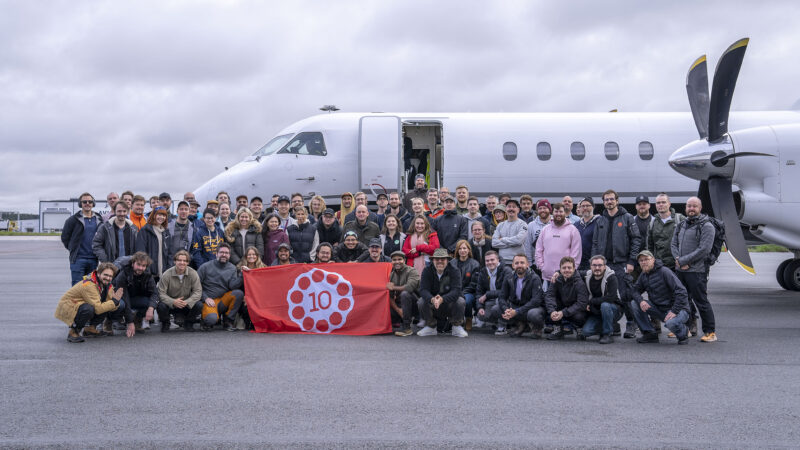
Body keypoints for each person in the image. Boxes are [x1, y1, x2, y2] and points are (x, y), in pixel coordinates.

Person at [591, 189, 641, 339]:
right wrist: (594, 261)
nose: (609, 202)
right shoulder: (600, 220)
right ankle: (614, 325)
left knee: (625, 295)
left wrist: (631, 261)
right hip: (604, 265)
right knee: (607, 296)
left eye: (612, 199)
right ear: (603, 202)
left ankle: (632, 323)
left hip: (621, 263)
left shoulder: (627, 218)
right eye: (606, 200)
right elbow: (595, 242)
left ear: (617, 201)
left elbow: (636, 240)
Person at [671, 196, 717, 342]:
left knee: (701, 301)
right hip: (681, 270)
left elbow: (704, 249)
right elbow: (673, 244)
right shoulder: (681, 224)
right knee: (684, 301)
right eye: (689, 206)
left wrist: (685, 261)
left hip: (697, 271)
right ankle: (687, 328)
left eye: (694, 206)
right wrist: (678, 260)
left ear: (700, 208)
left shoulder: (707, 226)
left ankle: (710, 332)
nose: (691, 209)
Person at [55, 262, 126, 342]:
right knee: (89, 309)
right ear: (98, 274)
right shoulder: (89, 284)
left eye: (110, 276)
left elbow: (110, 305)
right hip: (69, 307)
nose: (108, 278)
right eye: (105, 275)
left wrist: (115, 302)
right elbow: (98, 309)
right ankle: (73, 332)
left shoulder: (107, 285)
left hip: (81, 304)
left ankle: (90, 329)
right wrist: (114, 301)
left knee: (108, 305)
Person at [631, 251, 691, 344]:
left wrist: (674, 311)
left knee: (671, 323)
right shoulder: (644, 275)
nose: (643, 262)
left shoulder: (664, 271)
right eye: (641, 260)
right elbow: (634, 290)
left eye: (646, 259)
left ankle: (684, 333)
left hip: (679, 310)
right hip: (660, 309)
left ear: (653, 260)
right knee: (635, 303)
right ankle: (650, 334)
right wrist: (641, 301)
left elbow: (682, 292)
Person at [417, 248, 468, 338]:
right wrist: (432, 299)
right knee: (421, 301)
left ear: (447, 260)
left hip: (449, 303)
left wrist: (442, 299)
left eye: (443, 259)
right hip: (433, 303)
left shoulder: (455, 270)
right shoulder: (427, 270)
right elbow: (423, 290)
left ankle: (456, 326)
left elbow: (456, 291)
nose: (439, 261)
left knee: (460, 301)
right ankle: (431, 326)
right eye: (437, 259)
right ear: (432, 260)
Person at [494, 254, 545, 337]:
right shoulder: (508, 277)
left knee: (534, 314)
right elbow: (502, 296)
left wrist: (517, 312)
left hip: (531, 308)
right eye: (517, 263)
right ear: (513, 265)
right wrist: (506, 309)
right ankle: (520, 324)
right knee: (496, 309)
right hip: (515, 306)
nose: (519, 265)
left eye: (522, 263)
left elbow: (536, 301)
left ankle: (536, 327)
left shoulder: (535, 278)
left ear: (527, 264)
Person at [534, 203, 582, 290]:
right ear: (553, 213)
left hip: (566, 275)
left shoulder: (573, 230)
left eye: (561, 211)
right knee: (549, 300)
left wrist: (571, 269)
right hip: (548, 274)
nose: (558, 214)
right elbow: (539, 249)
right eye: (556, 211)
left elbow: (576, 252)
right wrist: (541, 266)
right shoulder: (545, 229)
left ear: (565, 213)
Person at [197, 243, 244, 331]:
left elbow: (232, 286)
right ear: (216, 254)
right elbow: (196, 286)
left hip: (223, 300)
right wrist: (205, 298)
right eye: (221, 252)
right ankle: (204, 320)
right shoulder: (205, 267)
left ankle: (228, 321)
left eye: (226, 253)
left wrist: (241, 275)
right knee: (211, 320)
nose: (224, 255)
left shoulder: (232, 268)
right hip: (209, 300)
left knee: (238, 293)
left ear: (229, 255)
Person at [61, 193, 104, 285]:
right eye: (84, 201)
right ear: (80, 204)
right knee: (77, 287)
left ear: (93, 203)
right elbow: (65, 237)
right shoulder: (72, 220)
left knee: (90, 286)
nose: (87, 203)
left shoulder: (99, 219)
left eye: (90, 201)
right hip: (78, 259)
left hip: (93, 259)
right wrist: (73, 248)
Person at [157, 250, 203, 332]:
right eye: (179, 260)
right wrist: (173, 301)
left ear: (188, 263)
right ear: (174, 261)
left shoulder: (193, 273)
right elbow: (161, 293)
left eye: (185, 261)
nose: (182, 263)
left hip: (186, 304)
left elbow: (198, 292)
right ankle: (166, 323)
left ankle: (189, 323)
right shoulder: (166, 274)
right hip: (171, 304)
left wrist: (188, 302)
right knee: (161, 306)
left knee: (199, 305)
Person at [544, 256, 590, 340]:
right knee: (549, 306)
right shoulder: (556, 279)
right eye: (564, 268)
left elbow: (582, 303)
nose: (567, 270)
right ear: (560, 269)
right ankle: (558, 329)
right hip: (562, 306)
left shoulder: (579, 282)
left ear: (574, 268)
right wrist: (552, 311)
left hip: (575, 310)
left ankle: (579, 328)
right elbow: (550, 295)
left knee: (579, 316)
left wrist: (563, 312)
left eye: (569, 267)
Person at [112, 252, 158, 333]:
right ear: (133, 263)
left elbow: (155, 293)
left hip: (134, 298)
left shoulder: (148, 274)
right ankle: (110, 321)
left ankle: (137, 320)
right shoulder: (123, 274)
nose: (140, 268)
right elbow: (125, 297)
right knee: (120, 305)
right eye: (138, 264)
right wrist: (130, 322)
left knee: (149, 303)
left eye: (143, 266)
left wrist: (151, 308)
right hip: (121, 298)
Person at [581, 255, 622, 344]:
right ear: (590, 266)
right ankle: (611, 326)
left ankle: (607, 334)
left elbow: (611, 298)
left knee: (605, 305)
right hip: (596, 311)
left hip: (613, 308)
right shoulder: (588, 275)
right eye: (594, 265)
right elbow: (573, 272)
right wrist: (557, 272)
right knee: (586, 332)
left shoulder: (611, 277)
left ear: (604, 266)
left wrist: (591, 302)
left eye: (600, 265)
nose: (597, 268)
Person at [473, 250, 513, 328]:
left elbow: (505, 292)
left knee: (496, 308)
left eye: (492, 260)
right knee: (481, 315)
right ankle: (496, 322)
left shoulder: (506, 270)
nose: (490, 262)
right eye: (487, 261)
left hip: (505, 300)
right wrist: (480, 307)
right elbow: (479, 291)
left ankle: (502, 325)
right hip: (491, 300)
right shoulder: (483, 271)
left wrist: (487, 294)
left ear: (498, 260)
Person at [648, 193, 684, 271]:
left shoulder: (680, 219)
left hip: (678, 265)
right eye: (658, 203)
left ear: (669, 204)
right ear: (655, 205)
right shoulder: (652, 223)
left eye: (663, 202)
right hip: (660, 266)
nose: (661, 205)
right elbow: (649, 246)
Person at [134, 206, 171, 281]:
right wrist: (147, 270)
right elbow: (141, 253)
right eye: (159, 215)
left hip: (163, 273)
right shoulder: (145, 230)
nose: (161, 217)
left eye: (164, 215)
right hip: (150, 273)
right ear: (154, 215)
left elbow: (169, 252)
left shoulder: (166, 232)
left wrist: (168, 269)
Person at [388, 251, 420, 336]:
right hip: (401, 304)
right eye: (394, 260)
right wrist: (398, 310)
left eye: (399, 259)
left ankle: (407, 328)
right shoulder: (391, 275)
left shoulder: (412, 271)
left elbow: (409, 288)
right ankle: (399, 320)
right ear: (391, 261)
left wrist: (393, 287)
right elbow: (390, 296)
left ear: (404, 260)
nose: (397, 262)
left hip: (416, 304)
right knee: (386, 309)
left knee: (405, 294)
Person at [450, 239, 480, 329]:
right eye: (460, 249)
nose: (462, 251)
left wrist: (462, 293)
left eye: (464, 248)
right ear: (457, 251)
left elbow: (474, 283)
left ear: (469, 250)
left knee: (466, 300)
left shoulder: (475, 264)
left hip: (469, 291)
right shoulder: (452, 263)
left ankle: (468, 318)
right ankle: (454, 319)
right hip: (454, 290)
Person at [492, 199, 528, 266]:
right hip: (502, 262)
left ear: (518, 210)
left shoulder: (523, 224)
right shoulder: (500, 225)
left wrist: (502, 239)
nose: (511, 209)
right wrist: (513, 242)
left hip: (518, 262)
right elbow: (494, 243)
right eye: (509, 206)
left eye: (514, 207)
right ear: (506, 209)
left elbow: (519, 241)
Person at [524, 199, 552, 265]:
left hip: (553, 263)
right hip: (536, 263)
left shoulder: (555, 224)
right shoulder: (531, 225)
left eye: (545, 208)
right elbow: (528, 246)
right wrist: (529, 263)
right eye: (540, 208)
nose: (542, 210)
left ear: (549, 210)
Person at [575, 197, 600, 272]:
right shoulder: (576, 225)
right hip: (578, 263)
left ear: (593, 207)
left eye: (588, 205)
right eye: (582, 206)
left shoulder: (600, 222)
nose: (585, 208)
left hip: (594, 263)